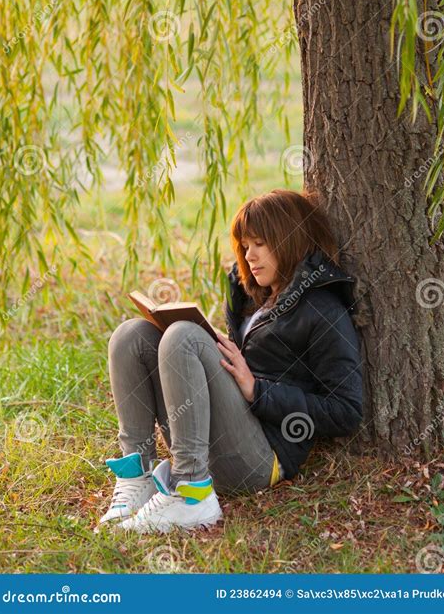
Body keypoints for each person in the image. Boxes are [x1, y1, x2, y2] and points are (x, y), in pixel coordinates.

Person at [95, 188, 363, 534]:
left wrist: (257, 391)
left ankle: (192, 495)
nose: (249, 256)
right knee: (131, 335)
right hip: (219, 437)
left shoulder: (323, 309)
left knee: (183, 336)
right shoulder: (249, 293)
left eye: (260, 244)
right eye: (245, 245)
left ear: (289, 239)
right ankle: (138, 477)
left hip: (261, 457)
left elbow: (346, 411)